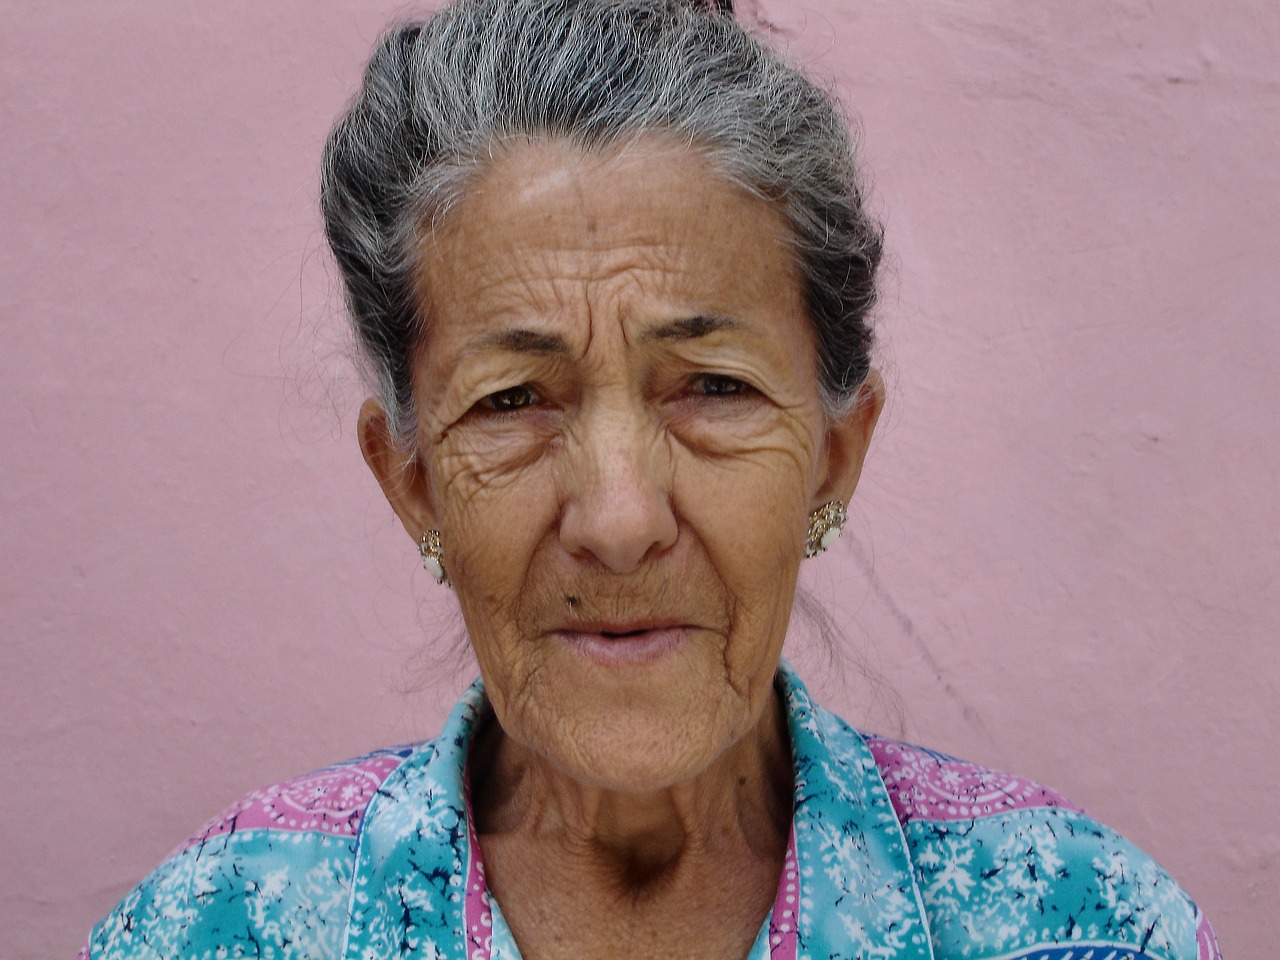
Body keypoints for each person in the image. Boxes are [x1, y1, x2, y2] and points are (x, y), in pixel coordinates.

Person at [83, 0, 1220, 957]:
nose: (620, 519)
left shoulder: (1075, 925)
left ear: (832, 452)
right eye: (512, 401)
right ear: (413, 481)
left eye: (712, 389)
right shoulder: (216, 927)